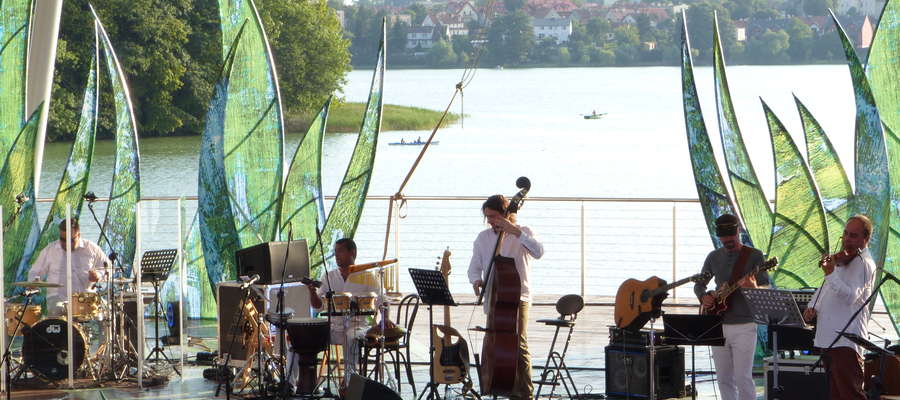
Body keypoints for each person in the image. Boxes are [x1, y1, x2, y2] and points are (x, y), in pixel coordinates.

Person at [468, 194, 544, 400]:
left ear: (506, 214)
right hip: (494, 297)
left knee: (518, 344)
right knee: (495, 343)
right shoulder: (483, 238)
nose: (490, 221)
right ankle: (499, 386)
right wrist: (476, 281)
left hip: (518, 296)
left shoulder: (524, 233)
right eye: (487, 217)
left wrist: (517, 233)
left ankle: (525, 393)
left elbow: (539, 252)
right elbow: (474, 267)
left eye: (493, 216)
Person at [693, 213, 770, 400]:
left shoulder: (755, 256)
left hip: (745, 325)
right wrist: (704, 297)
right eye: (724, 239)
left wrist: (753, 287)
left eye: (731, 238)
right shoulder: (713, 257)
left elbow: (765, 289)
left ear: (738, 232)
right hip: (718, 324)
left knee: (743, 377)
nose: (728, 242)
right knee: (723, 378)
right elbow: (699, 284)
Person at [803, 215, 876, 400]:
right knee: (836, 395)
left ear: (865, 239)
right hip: (829, 338)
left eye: (853, 235)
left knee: (850, 394)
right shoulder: (843, 259)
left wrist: (830, 274)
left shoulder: (864, 264)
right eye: (845, 234)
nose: (847, 239)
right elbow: (826, 289)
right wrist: (812, 307)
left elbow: (851, 296)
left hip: (846, 341)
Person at [306, 238, 381, 346]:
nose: (336, 255)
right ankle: (306, 363)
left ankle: (350, 364)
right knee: (303, 335)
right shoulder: (329, 276)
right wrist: (312, 292)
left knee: (351, 336)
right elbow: (318, 307)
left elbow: (382, 301)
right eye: (335, 251)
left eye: (340, 251)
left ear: (353, 253)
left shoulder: (366, 276)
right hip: (333, 328)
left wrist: (385, 319)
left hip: (358, 327)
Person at [28, 218, 108, 316]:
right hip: (58, 298)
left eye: (71, 240)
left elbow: (108, 268)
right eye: (63, 239)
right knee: (56, 310)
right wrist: (34, 281)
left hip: (86, 298)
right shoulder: (50, 250)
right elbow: (35, 272)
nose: (66, 244)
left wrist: (98, 275)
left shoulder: (92, 248)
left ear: (79, 235)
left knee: (100, 316)